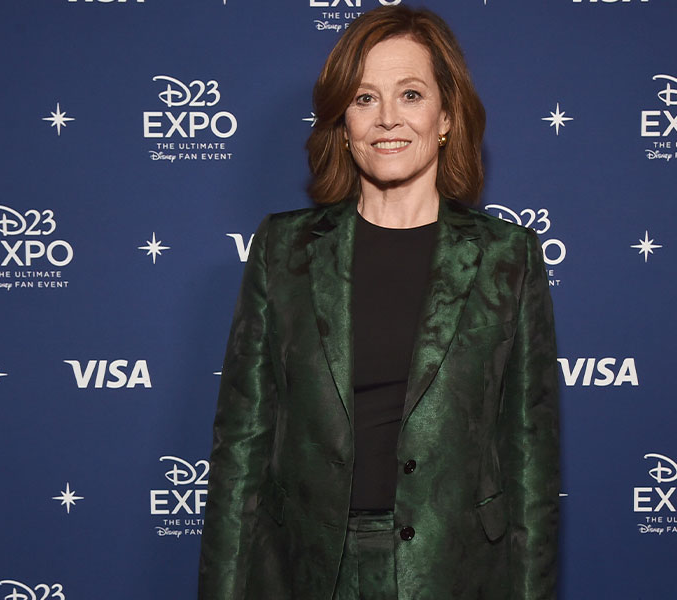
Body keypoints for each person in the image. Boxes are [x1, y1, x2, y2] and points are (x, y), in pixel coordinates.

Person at [199, 6, 559, 599]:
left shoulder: (507, 258)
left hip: (456, 571)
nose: (387, 119)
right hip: (303, 571)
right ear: (342, 122)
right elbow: (241, 448)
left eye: (410, 94)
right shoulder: (283, 250)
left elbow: (531, 462)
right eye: (364, 99)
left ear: (446, 115)